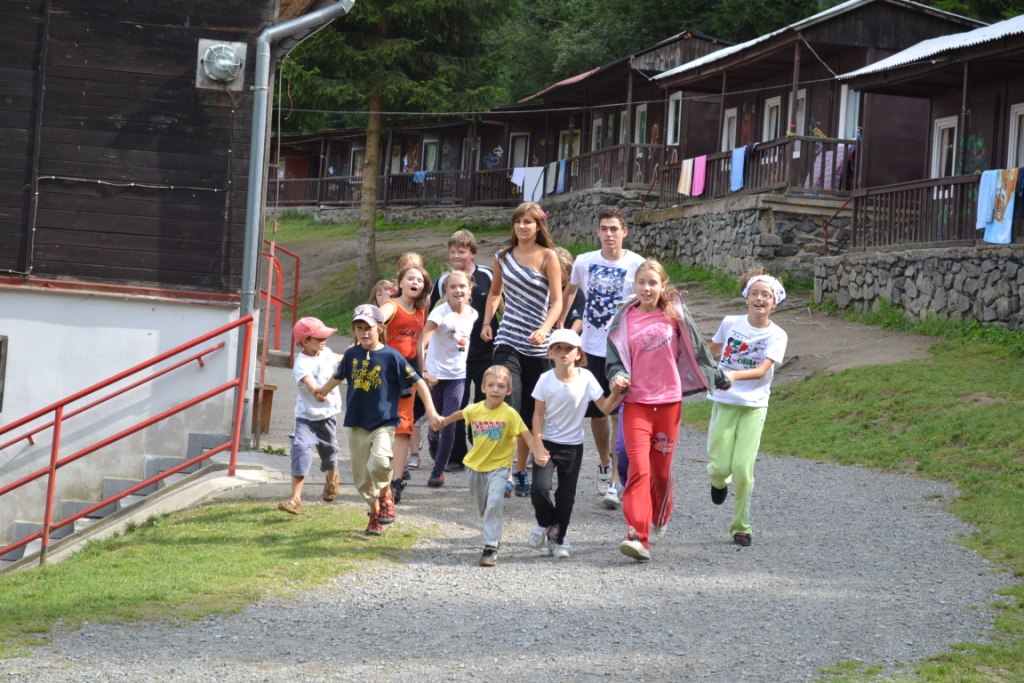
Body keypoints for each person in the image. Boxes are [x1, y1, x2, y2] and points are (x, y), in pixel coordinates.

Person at [605, 259, 728, 562]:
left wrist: (717, 376)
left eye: (652, 283)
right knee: (638, 468)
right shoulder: (623, 317)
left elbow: (697, 348)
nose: (646, 288)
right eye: (641, 282)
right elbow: (614, 359)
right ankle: (637, 535)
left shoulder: (674, 314)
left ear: (663, 285)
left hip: (669, 402)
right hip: (636, 402)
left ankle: (660, 515)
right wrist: (617, 376)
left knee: (660, 473)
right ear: (635, 285)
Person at [315, 304, 441, 536]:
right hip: (357, 423)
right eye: (358, 328)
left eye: (368, 328)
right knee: (362, 481)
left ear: (380, 328)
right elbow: (338, 376)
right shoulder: (352, 355)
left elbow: (419, 382)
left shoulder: (391, 356)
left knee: (380, 463)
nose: (363, 333)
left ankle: (386, 496)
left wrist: (431, 411)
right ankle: (374, 515)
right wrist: (322, 391)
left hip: (384, 422)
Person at [560, 206, 646, 510]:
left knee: (619, 412)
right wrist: (561, 328)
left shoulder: (637, 264)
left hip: (622, 349)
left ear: (625, 232)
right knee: (598, 413)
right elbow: (570, 291)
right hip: (591, 346)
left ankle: (615, 480)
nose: (609, 235)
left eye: (614, 229)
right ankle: (605, 463)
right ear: (597, 232)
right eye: (604, 229)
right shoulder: (584, 261)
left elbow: (647, 300)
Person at [481, 202, 562, 498]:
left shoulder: (549, 256)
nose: (522, 227)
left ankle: (521, 470)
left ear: (538, 226)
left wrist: (545, 329)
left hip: (538, 345)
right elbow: (495, 293)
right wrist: (487, 322)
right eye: (518, 222)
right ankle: (502, 471)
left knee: (530, 411)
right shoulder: (502, 257)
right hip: (508, 338)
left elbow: (557, 301)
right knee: (507, 402)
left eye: (528, 222)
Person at [706, 269, 788, 548]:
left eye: (766, 295)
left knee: (743, 470)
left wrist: (733, 375)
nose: (760, 299)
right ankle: (718, 482)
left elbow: (762, 370)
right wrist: (700, 368)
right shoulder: (730, 323)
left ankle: (741, 527)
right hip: (725, 402)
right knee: (718, 467)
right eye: (755, 293)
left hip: (754, 406)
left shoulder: (777, 335)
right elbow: (711, 351)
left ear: (774, 303)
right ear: (746, 298)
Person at [527, 329, 622, 559]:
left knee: (566, 497)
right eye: (558, 348)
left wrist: (616, 391)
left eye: (569, 348)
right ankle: (544, 522)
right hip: (547, 443)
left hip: (572, 446)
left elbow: (605, 407)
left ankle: (558, 539)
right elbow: (537, 415)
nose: (564, 352)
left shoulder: (586, 378)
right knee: (539, 489)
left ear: (578, 353)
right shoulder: (545, 379)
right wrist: (537, 445)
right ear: (550, 353)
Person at [435, 365, 542, 566]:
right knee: (484, 507)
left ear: (509, 390)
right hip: (475, 467)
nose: (495, 389)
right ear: (482, 387)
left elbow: (526, 435)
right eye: (491, 385)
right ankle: (491, 526)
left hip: (499, 467)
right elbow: (461, 414)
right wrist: (444, 421)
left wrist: (537, 452)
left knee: (494, 501)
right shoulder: (475, 409)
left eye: (501, 386)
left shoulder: (510, 414)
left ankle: (491, 545)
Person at [427, 229, 494, 473]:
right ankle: (454, 456)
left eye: (461, 251)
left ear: (472, 253)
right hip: (452, 355)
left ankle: (481, 450)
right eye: (452, 251)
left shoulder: (487, 275)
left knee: (484, 402)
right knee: (455, 406)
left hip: (484, 351)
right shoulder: (443, 280)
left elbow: (499, 303)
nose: (456, 256)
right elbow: (429, 312)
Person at [277, 316, 343, 515]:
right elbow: (308, 381)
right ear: (304, 341)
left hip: (327, 415)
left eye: (325, 336)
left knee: (329, 454)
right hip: (305, 417)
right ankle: (295, 499)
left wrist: (353, 353)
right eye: (319, 337)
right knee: (300, 450)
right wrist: (317, 392)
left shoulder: (326, 352)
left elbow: (338, 357)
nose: (324, 340)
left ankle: (332, 478)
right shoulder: (301, 363)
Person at [419, 269, 478, 487]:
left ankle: (438, 470)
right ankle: (433, 436)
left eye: (462, 286)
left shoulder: (473, 314)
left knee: (449, 422)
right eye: (453, 287)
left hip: (457, 376)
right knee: (436, 422)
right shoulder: (439, 314)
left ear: (469, 290)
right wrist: (425, 371)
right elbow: (422, 342)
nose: (458, 290)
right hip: (435, 376)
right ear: (445, 291)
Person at [380, 264, 432, 503]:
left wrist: (422, 372)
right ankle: (379, 475)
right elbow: (372, 324)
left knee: (404, 426)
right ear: (400, 283)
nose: (415, 283)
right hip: (385, 371)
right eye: (411, 279)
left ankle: (396, 481)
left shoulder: (422, 310)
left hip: (408, 373)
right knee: (380, 422)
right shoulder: (391, 306)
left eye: (420, 281)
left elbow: (419, 342)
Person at [553, 246, 584, 334]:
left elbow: (579, 321)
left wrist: (567, 337)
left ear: (567, 270)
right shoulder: (547, 288)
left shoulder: (576, 293)